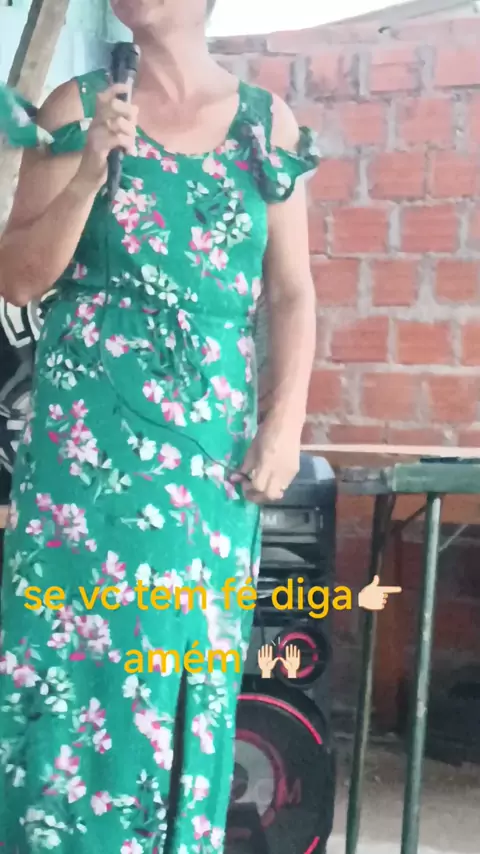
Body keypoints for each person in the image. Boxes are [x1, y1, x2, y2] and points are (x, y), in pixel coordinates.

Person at [0, 0, 318, 850]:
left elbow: (292, 292)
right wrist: (89, 172)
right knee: (74, 668)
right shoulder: (76, 106)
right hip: (85, 462)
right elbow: (19, 278)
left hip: (210, 468)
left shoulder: (266, 126)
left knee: (182, 671)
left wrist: (285, 423)